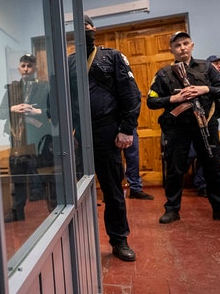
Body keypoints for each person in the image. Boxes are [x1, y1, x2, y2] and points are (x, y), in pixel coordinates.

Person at [147, 31, 220, 224]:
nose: (182, 48)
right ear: (171, 49)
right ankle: (172, 209)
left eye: (185, 43)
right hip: (177, 128)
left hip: (206, 125)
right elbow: (151, 101)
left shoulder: (207, 68)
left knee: (213, 167)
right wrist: (175, 98)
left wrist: (205, 89)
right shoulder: (164, 73)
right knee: (175, 169)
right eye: (177, 45)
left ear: (192, 45)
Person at [68, 15, 141, 262]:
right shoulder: (68, 63)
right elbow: (58, 102)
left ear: (93, 30)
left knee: (112, 191)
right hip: (79, 136)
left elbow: (131, 95)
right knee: (75, 193)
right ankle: (76, 243)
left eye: (86, 26)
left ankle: (119, 240)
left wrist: (127, 129)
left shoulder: (112, 57)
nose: (83, 30)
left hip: (108, 132)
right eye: (78, 27)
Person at [0, 54, 52, 222]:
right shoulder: (12, 89)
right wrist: (14, 108)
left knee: (44, 179)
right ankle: (17, 212)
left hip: (40, 140)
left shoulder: (45, 87)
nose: (26, 69)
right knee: (18, 177)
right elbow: (0, 113)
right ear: (19, 68)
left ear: (35, 68)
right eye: (23, 65)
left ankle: (53, 213)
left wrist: (37, 112)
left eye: (29, 65)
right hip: (18, 139)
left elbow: (55, 111)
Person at [187, 55, 220, 198]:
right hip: (194, 124)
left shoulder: (217, 84)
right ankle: (201, 185)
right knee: (199, 154)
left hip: (210, 123)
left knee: (212, 155)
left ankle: (205, 186)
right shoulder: (200, 80)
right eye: (216, 64)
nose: (219, 66)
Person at [123, 128, 154, 200]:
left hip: (129, 123)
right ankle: (111, 191)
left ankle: (135, 189)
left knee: (133, 157)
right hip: (110, 122)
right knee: (112, 158)